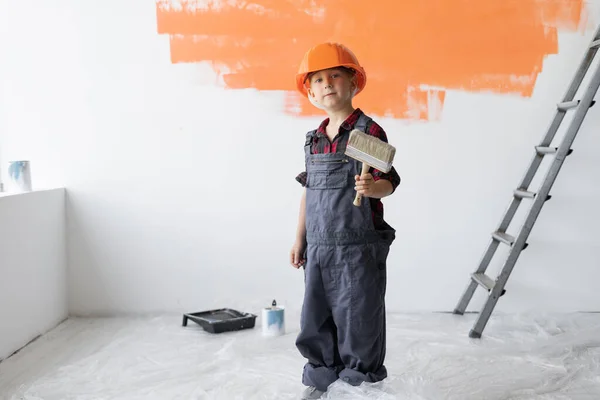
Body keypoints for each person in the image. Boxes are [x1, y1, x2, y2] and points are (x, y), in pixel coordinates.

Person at [289, 42, 401, 400]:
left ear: (354, 82)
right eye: (318, 79)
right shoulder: (314, 140)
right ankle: (321, 379)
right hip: (319, 246)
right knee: (316, 318)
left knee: (358, 319)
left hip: (357, 246)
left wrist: (373, 187)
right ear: (310, 91)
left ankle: (357, 385)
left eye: (335, 75)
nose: (326, 84)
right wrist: (299, 239)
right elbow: (309, 193)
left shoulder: (367, 132)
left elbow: (390, 183)